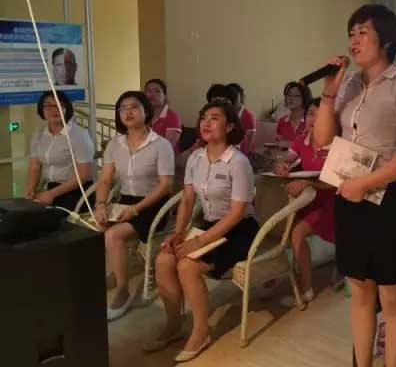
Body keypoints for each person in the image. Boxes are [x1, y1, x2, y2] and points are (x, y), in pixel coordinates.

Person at [314, 4, 396, 367]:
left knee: (392, 298)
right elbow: (322, 139)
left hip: (388, 199)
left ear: (387, 40)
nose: (354, 40)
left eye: (363, 32)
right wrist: (329, 93)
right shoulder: (348, 84)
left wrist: (366, 183)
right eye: (351, 33)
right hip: (349, 197)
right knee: (360, 292)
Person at [146, 99, 258, 362]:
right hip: (208, 223)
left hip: (239, 228)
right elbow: (187, 199)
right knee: (163, 260)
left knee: (188, 266)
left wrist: (199, 242)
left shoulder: (238, 162)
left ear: (229, 127)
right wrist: (179, 232)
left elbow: (236, 214)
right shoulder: (195, 158)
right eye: (204, 117)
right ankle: (173, 324)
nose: (206, 123)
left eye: (215, 118)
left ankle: (201, 331)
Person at [94, 91, 174, 321]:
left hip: (153, 204)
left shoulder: (161, 145)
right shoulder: (114, 144)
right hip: (125, 200)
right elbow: (105, 180)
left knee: (113, 235)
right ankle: (111, 273)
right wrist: (101, 204)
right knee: (96, 226)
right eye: (123, 108)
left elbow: (166, 186)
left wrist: (137, 209)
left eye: (134, 107)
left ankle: (123, 291)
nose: (128, 112)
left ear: (146, 111)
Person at [273, 98, 336, 307]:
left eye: (320, 115)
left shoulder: (338, 144)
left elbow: (337, 182)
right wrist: (281, 165)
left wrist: (308, 183)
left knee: (297, 233)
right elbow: (286, 160)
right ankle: (272, 276)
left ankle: (306, 289)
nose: (313, 119)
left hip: (332, 202)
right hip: (308, 199)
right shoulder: (301, 140)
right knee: (277, 224)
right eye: (310, 113)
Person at [24, 90, 95, 211]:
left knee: (40, 216)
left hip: (77, 191)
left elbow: (83, 175)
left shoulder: (79, 135)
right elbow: (35, 166)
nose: (54, 110)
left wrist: (52, 194)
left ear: (67, 109)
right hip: (50, 188)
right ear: (42, 110)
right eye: (48, 106)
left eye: (59, 105)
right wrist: (30, 188)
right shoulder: (39, 134)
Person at [145, 78, 182, 152]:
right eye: (148, 91)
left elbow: (167, 146)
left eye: (157, 91)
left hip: (164, 156)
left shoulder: (172, 116)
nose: (152, 94)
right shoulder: (143, 115)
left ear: (164, 95)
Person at [227, 83, 257, 155]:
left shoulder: (249, 117)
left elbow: (247, 147)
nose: (232, 100)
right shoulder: (227, 114)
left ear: (241, 97)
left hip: (244, 155)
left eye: (234, 97)